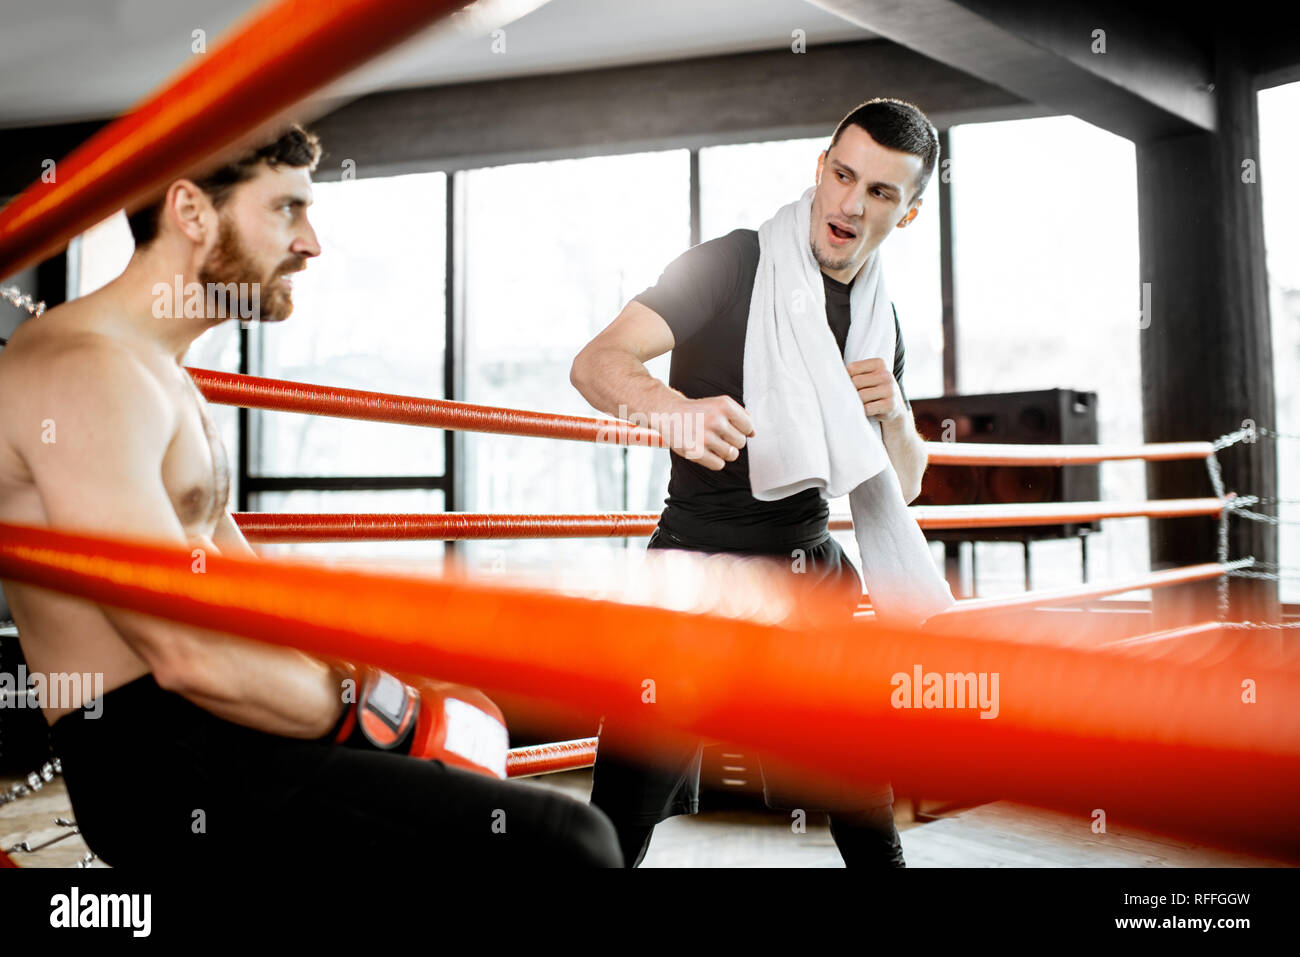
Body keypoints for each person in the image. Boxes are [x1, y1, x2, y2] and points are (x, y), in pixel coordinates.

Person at [0, 125, 620, 868]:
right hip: (165, 767)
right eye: (287, 209)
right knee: (571, 843)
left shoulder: (156, 368)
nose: (312, 242)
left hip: (219, 724)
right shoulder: (87, 372)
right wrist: (387, 714)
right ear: (193, 212)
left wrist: (378, 669)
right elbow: (184, 651)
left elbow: (240, 585)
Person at [570, 98, 940, 867]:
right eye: (843, 174)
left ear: (905, 215)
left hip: (810, 571)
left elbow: (898, 486)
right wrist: (670, 408)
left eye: (879, 192)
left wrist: (899, 418)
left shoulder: (880, 317)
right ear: (820, 168)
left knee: (867, 814)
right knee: (620, 819)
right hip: (696, 569)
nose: (849, 202)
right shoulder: (731, 263)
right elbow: (597, 362)